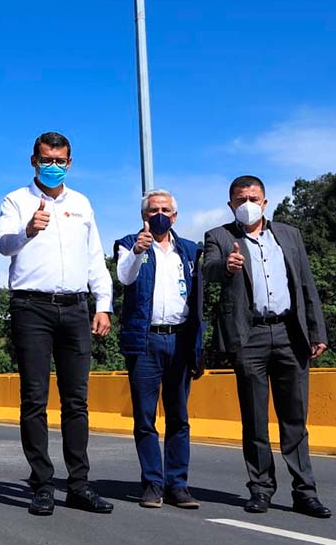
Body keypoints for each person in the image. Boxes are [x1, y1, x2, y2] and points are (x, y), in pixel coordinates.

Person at [0, 131, 114, 516]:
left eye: (60, 160)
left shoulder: (82, 204)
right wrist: (27, 230)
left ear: (70, 163)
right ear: (33, 161)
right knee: (34, 398)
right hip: (32, 307)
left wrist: (104, 304)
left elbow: (95, 256)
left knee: (76, 400)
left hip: (77, 308)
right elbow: (2, 244)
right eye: (46, 159)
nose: (53, 166)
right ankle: (42, 483)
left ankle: (78, 484)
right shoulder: (16, 200)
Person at [200, 175, 332, 519]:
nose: (248, 203)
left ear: (265, 201)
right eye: (240, 198)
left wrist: (317, 330)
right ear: (231, 204)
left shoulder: (289, 234)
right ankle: (260, 489)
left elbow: (305, 282)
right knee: (255, 420)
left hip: (290, 333)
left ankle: (305, 492)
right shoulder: (219, 236)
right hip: (249, 337)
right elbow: (208, 270)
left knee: (295, 420)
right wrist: (226, 266)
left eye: (253, 197)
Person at [113, 189, 204, 509]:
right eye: (153, 210)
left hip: (179, 340)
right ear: (144, 216)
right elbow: (125, 277)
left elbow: (199, 298)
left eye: (165, 209)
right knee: (145, 417)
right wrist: (138, 250)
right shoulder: (127, 244)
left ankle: (177, 484)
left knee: (179, 417)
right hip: (145, 341)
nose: (159, 214)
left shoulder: (190, 252)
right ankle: (152, 482)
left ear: (175, 216)